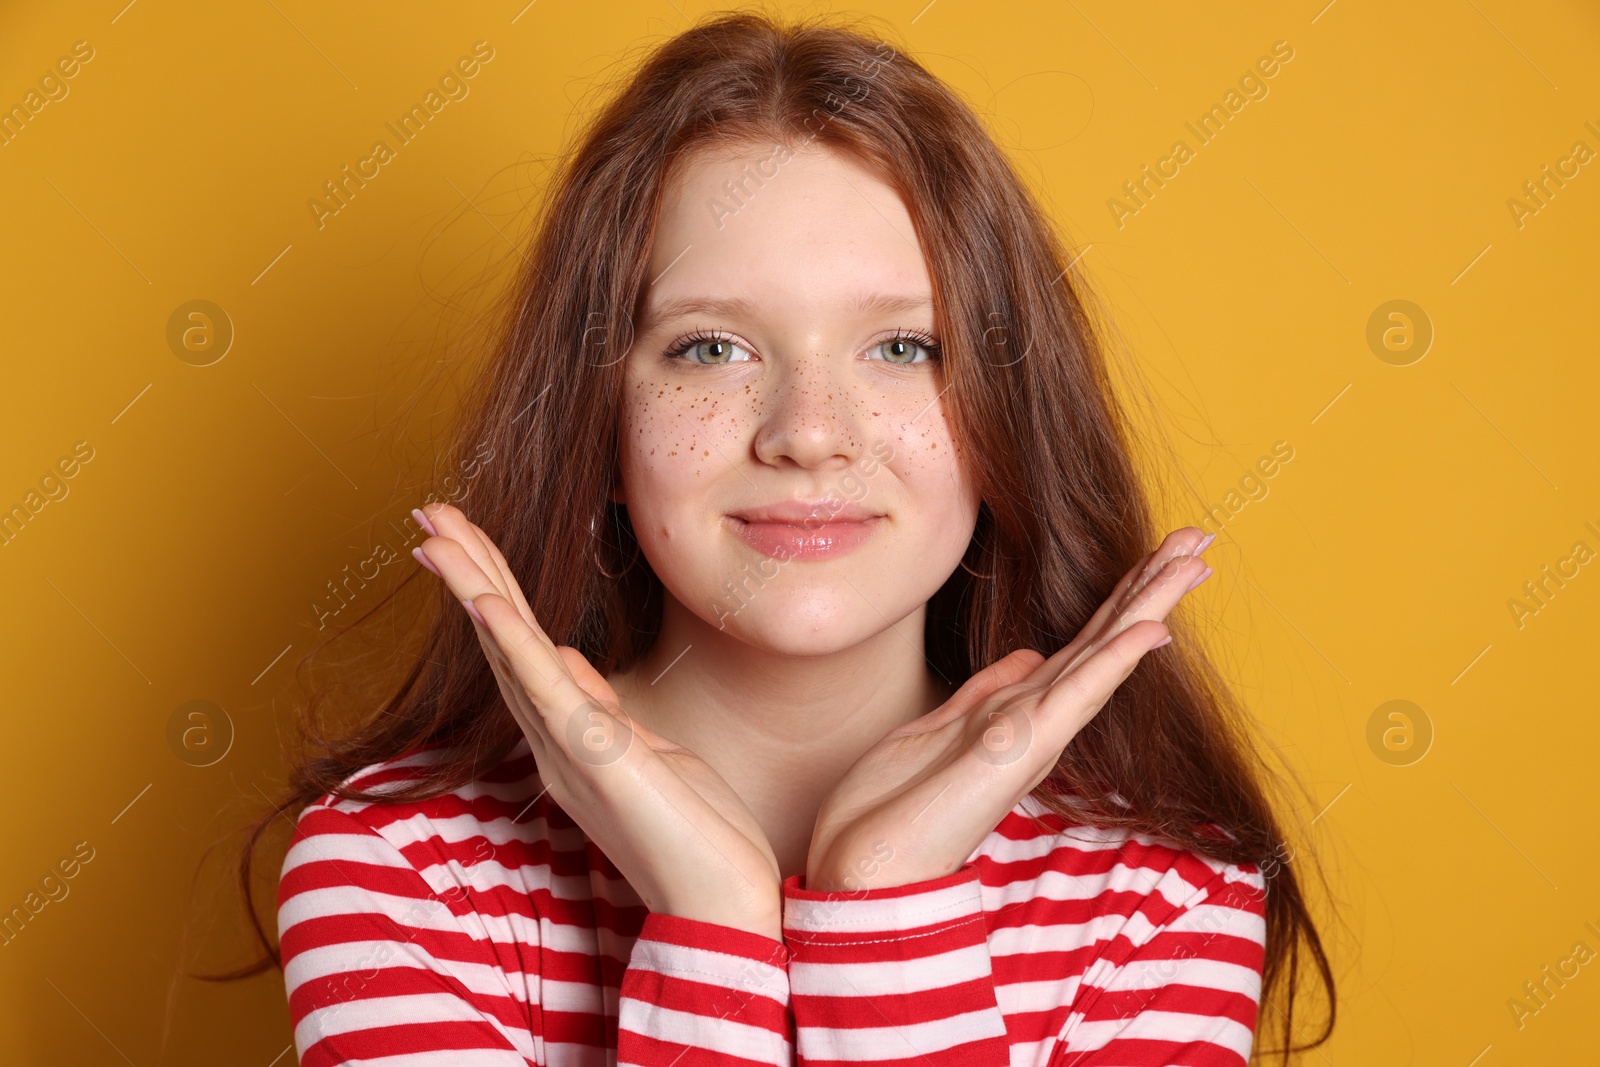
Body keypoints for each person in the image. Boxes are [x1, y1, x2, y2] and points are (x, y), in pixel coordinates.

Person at [245, 11, 1336, 1065]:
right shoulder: (395, 880)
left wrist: (884, 900)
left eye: (904, 346)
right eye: (711, 347)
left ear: (1007, 417)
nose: (809, 432)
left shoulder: (1157, 902)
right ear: (601, 422)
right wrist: (711, 920)